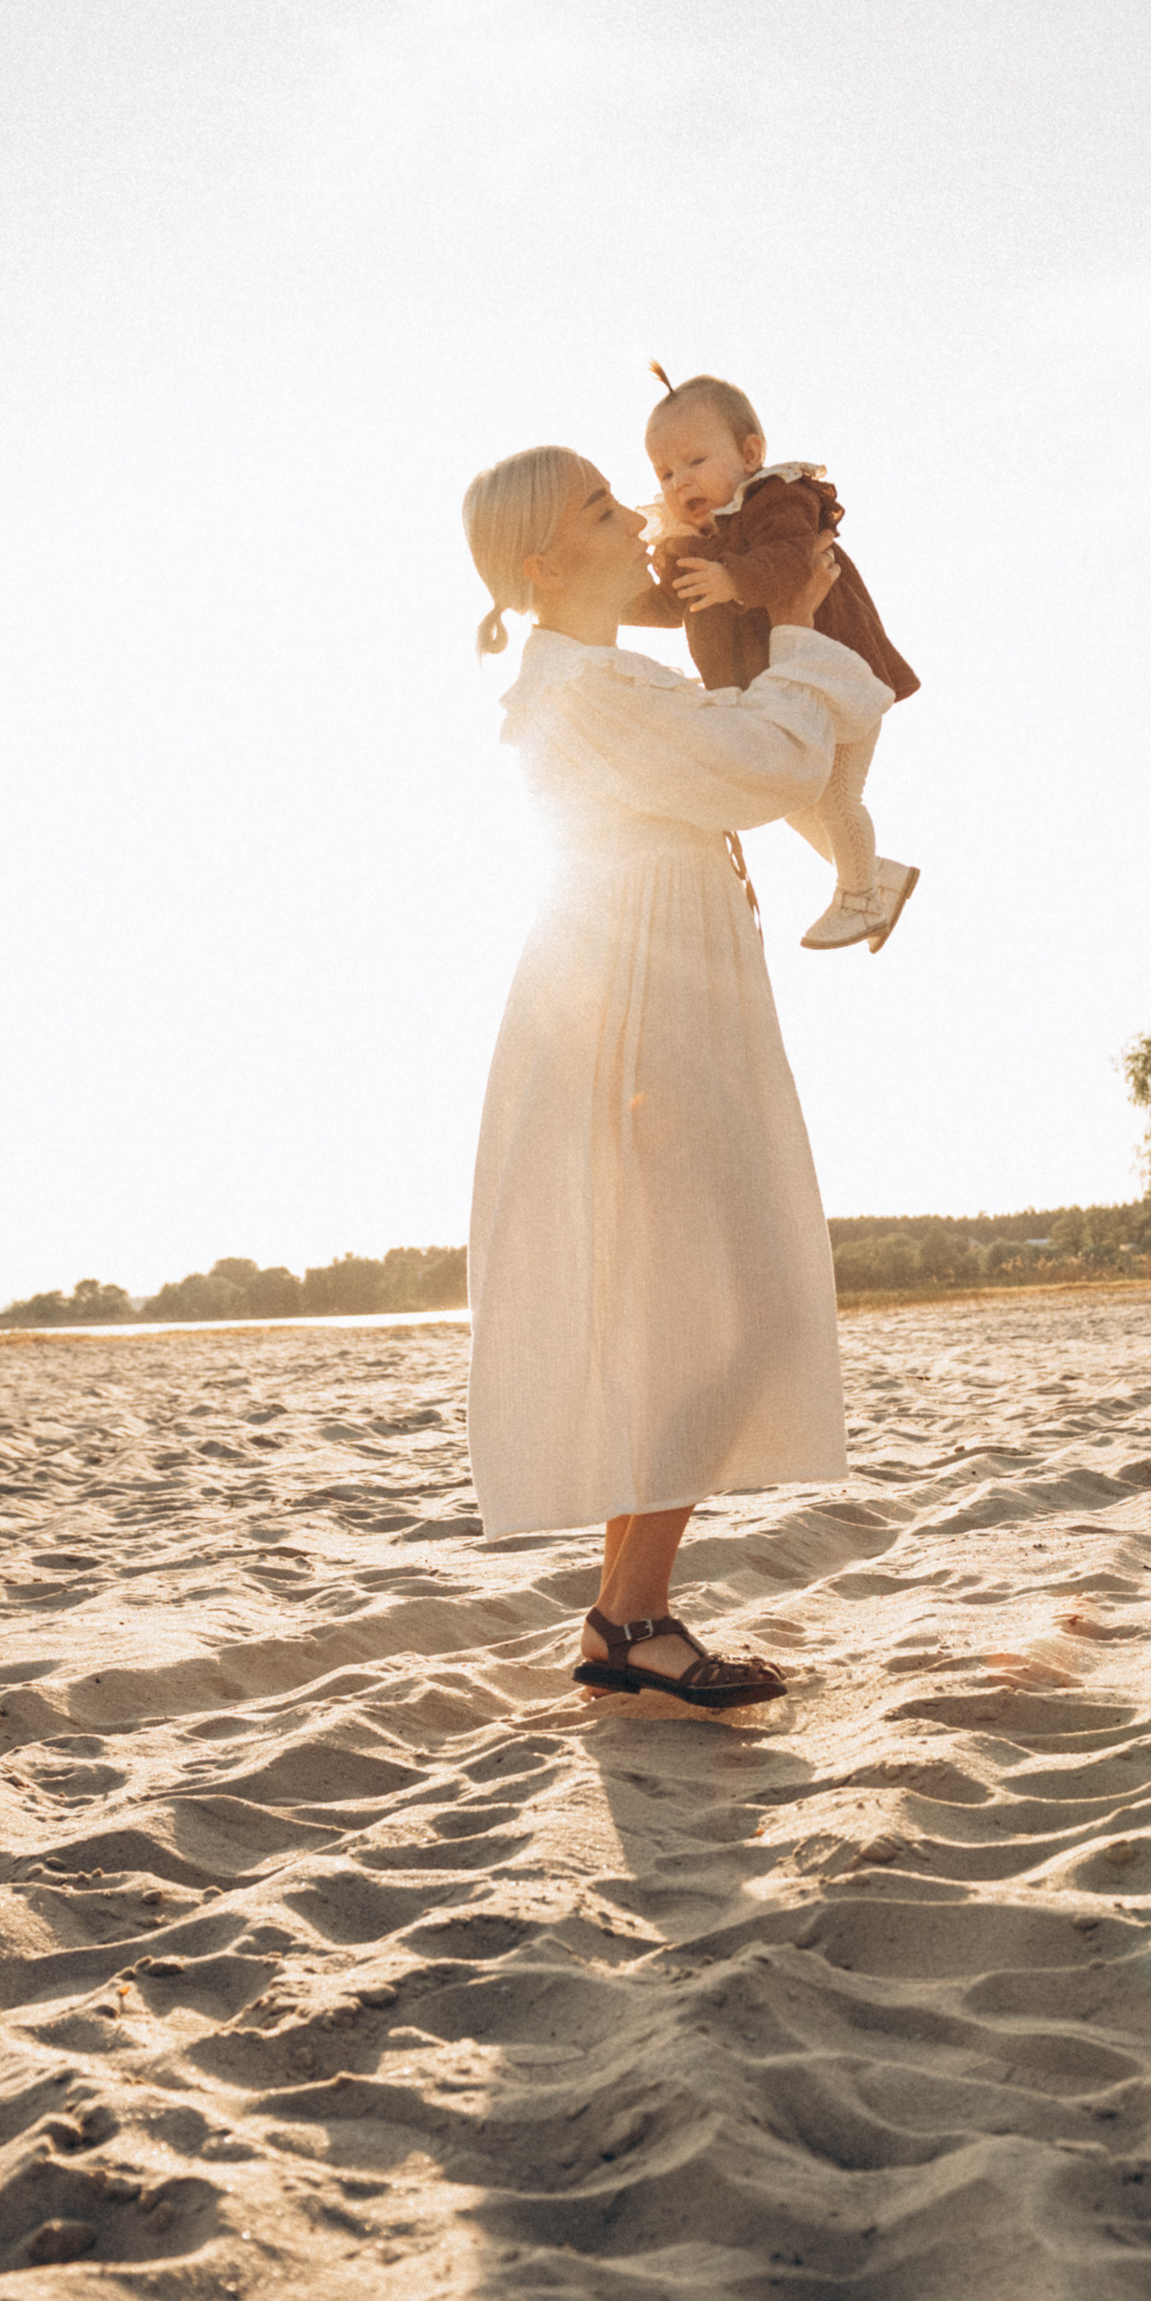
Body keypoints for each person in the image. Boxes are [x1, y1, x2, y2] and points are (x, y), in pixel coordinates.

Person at [462, 444, 889, 1706]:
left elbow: (738, 745)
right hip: (638, 1009)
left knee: (692, 1301)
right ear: (546, 562)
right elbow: (760, 765)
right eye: (604, 507)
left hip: (658, 988)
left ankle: (625, 1617)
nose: (630, 517)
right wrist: (800, 623)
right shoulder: (582, 696)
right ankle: (631, 1609)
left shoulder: (603, 677)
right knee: (735, 1300)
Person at [643, 368, 921, 953]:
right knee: (797, 795)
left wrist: (733, 577)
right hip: (782, 692)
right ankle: (876, 877)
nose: (678, 482)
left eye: (694, 461)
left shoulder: (775, 499)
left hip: (838, 671)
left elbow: (793, 559)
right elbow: (673, 604)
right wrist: (608, 602)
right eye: (665, 472)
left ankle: (860, 898)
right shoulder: (690, 541)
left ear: (749, 453)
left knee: (839, 798)